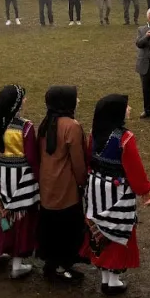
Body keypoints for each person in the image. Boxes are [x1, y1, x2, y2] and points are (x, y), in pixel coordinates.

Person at [82, 94, 150, 295]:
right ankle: (113, 280)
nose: (129, 109)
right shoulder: (125, 138)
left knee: (100, 228)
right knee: (117, 230)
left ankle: (106, 276)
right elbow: (134, 168)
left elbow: (89, 158)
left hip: (96, 188)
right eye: (126, 106)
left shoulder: (94, 133)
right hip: (117, 191)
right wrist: (145, 190)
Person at [0, 85, 40, 279]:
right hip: (22, 178)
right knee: (21, 219)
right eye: (22, 98)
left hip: (2, 176)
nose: (25, 101)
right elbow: (32, 157)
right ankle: (17, 263)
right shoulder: (25, 127)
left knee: (2, 214)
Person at [37, 86, 87, 284]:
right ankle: (62, 266)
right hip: (65, 186)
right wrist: (82, 182)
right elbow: (78, 161)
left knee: (50, 225)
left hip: (47, 183)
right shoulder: (72, 126)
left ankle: (51, 263)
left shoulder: (46, 123)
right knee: (67, 228)